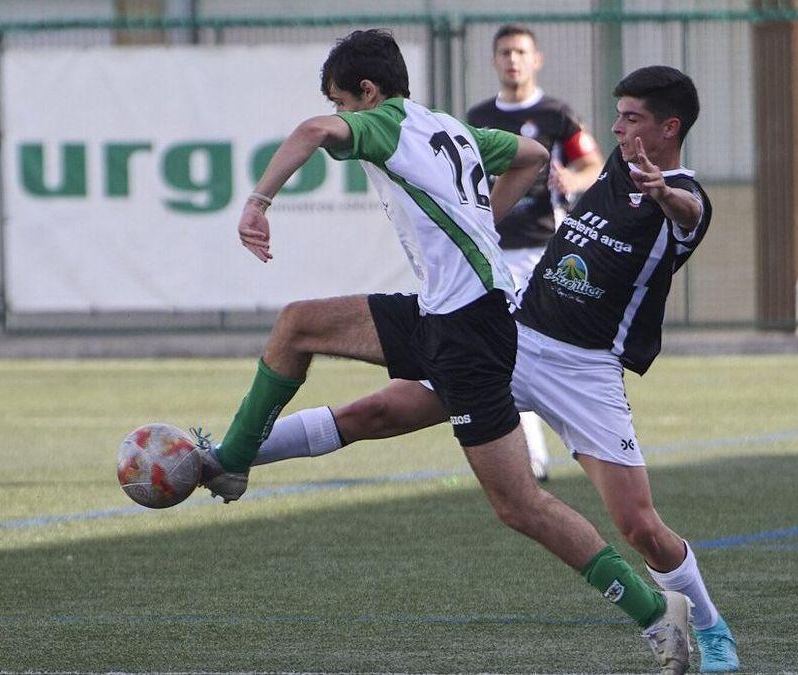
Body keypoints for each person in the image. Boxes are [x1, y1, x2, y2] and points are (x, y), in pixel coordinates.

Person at [196, 30, 693, 674]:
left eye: (344, 100)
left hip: (471, 332)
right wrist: (482, 220)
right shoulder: (446, 128)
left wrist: (258, 203)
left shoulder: (382, 125)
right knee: (300, 327)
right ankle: (231, 460)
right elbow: (534, 154)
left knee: (520, 506)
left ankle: (658, 617)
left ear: (369, 94)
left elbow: (312, 133)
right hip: (442, 313)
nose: (343, 115)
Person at [466, 24, 605, 481]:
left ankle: (591, 443)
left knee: (559, 350)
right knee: (505, 351)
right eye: (505, 52)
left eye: (521, 52)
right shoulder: (479, 116)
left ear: (536, 59)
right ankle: (531, 459)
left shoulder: (555, 115)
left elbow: (593, 163)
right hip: (496, 251)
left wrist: (575, 181)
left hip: (549, 251)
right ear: (494, 61)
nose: (513, 60)